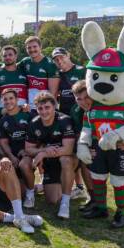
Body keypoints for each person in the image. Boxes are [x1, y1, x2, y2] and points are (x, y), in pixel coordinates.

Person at [22, 92, 77, 219]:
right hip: (50, 161)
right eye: (40, 108)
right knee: (52, 200)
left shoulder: (64, 120)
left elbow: (68, 149)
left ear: (55, 106)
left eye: (47, 107)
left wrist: (43, 153)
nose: (44, 111)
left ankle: (65, 203)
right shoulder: (34, 123)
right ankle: (63, 190)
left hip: (66, 159)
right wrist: (43, 151)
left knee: (65, 160)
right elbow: (28, 149)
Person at [0, 89, 33, 206]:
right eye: (5, 99)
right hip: (14, 155)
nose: (8, 101)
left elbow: (37, 136)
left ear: (17, 100)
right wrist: (11, 156)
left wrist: (27, 151)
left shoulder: (27, 114)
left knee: (24, 165)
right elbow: (3, 142)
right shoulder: (3, 121)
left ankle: (31, 194)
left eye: (11, 98)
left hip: (29, 152)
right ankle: (32, 187)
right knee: (20, 193)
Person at [70, 80, 95, 210]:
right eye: (79, 99)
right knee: (83, 160)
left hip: (107, 143)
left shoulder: (102, 105)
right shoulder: (75, 110)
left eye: (86, 97)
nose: (83, 102)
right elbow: (76, 132)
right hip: (85, 142)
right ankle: (92, 197)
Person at [18, 36, 60, 111]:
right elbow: (12, 67)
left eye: (34, 46)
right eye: (29, 48)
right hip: (30, 107)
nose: (32, 49)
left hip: (45, 107)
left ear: (40, 47)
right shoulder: (25, 62)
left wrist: (45, 109)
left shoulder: (50, 64)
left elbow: (53, 93)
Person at [51, 47, 86, 115]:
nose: (59, 61)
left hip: (81, 113)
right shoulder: (57, 75)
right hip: (64, 115)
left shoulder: (81, 71)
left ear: (68, 55)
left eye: (61, 57)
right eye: (56, 59)